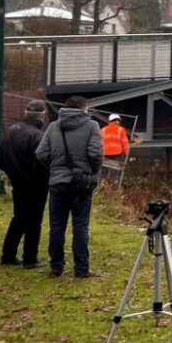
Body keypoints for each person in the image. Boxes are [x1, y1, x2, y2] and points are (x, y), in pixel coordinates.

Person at [36, 94, 103, 278]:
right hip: (81, 183)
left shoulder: (53, 126)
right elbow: (96, 153)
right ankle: (81, 269)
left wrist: (55, 168)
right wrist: (92, 171)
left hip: (58, 183)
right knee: (80, 226)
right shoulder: (92, 126)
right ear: (84, 109)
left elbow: (41, 153)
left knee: (57, 226)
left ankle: (56, 267)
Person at [0, 100, 51, 268]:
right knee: (34, 221)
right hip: (35, 183)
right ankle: (30, 258)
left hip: (16, 181)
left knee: (19, 217)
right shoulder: (37, 136)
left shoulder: (11, 131)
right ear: (42, 115)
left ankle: (8, 254)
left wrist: (11, 173)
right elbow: (41, 160)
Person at [100, 113, 130, 180]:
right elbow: (125, 142)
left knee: (103, 170)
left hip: (105, 153)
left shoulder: (103, 130)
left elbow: (99, 142)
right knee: (115, 170)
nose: (119, 122)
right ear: (116, 121)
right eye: (119, 120)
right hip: (117, 153)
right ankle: (114, 184)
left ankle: (102, 184)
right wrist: (126, 152)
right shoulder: (121, 129)